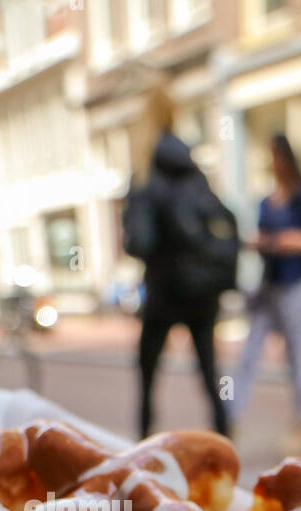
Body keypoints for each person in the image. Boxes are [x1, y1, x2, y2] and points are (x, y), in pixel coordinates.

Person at [122, 129, 237, 439]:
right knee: (210, 372)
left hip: (164, 296)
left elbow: (138, 243)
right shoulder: (199, 184)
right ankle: (225, 440)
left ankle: (143, 443)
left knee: (147, 374)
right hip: (203, 297)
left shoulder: (149, 186)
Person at [231, 135, 301, 455]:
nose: (270, 162)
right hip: (268, 287)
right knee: (248, 356)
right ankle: (229, 422)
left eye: (274, 156)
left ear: (285, 158)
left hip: (295, 286)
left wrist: (288, 240)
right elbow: (264, 239)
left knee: (296, 359)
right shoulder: (266, 202)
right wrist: (257, 242)